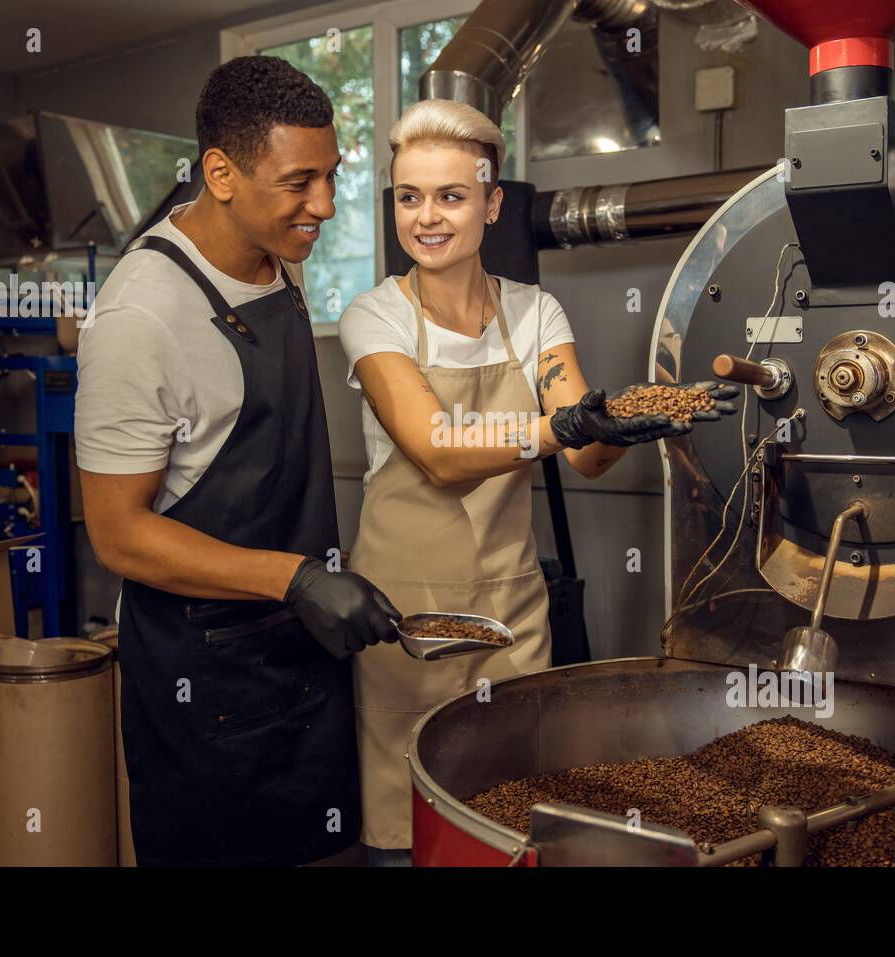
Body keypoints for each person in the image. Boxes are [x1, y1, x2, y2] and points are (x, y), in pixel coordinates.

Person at [339, 99, 737, 865]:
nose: (427, 217)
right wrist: (570, 426)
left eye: (451, 197)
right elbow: (437, 449)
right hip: (409, 621)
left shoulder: (534, 313)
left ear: (491, 204)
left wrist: (625, 423)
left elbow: (585, 454)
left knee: (511, 811)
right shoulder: (375, 315)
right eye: (409, 196)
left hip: (512, 606)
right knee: (408, 830)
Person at [75, 56, 399, 867]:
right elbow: (116, 535)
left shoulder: (277, 255)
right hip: (207, 688)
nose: (323, 206)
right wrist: (294, 578)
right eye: (299, 182)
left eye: (330, 176)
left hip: (303, 658)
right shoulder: (140, 318)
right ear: (220, 172)